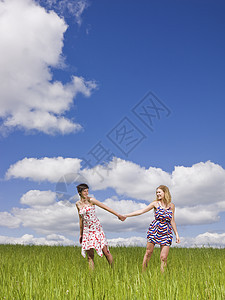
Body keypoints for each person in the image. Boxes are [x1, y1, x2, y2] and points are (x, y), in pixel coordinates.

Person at [124, 185, 180, 272]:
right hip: (155, 230)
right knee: (148, 253)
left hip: (167, 232)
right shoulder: (155, 204)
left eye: (159, 192)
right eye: (156, 192)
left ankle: (163, 278)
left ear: (165, 193)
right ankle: (143, 273)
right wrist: (126, 215)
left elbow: (172, 220)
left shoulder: (171, 206)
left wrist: (176, 234)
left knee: (164, 257)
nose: (157, 194)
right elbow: (141, 211)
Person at [76, 183, 125, 269]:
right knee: (90, 256)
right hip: (87, 231)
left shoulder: (92, 200)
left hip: (96, 229)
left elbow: (105, 207)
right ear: (79, 193)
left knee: (106, 251)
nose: (87, 193)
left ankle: (114, 271)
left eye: (87, 191)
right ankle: (91, 279)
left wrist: (118, 215)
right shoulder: (78, 204)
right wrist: (81, 233)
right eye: (84, 191)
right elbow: (81, 219)